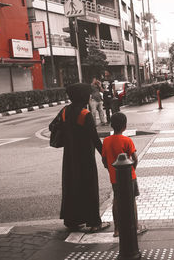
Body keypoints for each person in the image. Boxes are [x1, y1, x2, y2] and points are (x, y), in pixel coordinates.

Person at [50, 83, 109, 233]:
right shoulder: (84, 114)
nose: (89, 97)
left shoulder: (65, 111)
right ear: (83, 97)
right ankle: (94, 222)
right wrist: (105, 157)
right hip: (85, 158)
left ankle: (72, 220)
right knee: (89, 188)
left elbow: (52, 126)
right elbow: (95, 139)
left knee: (72, 187)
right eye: (87, 94)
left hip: (70, 158)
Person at [102, 112, 147, 237]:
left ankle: (117, 229)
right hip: (129, 177)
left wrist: (110, 169)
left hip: (114, 177)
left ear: (111, 125)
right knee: (131, 200)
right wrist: (132, 169)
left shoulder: (106, 141)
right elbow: (135, 158)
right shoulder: (127, 140)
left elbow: (104, 160)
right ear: (125, 126)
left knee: (116, 200)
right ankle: (136, 226)